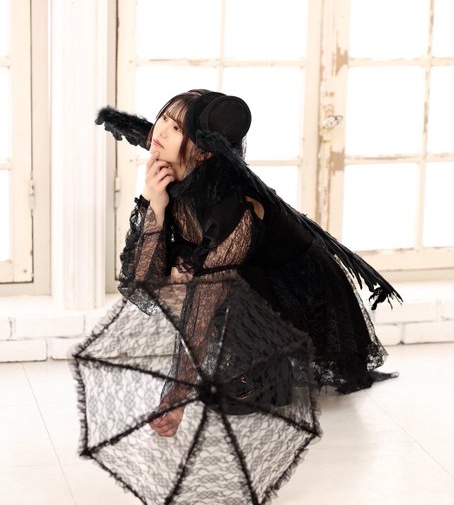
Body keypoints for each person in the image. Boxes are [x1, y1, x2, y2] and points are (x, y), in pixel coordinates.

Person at [115, 89, 400, 439]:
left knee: (210, 307)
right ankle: (259, 365)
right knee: (186, 280)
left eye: (176, 128)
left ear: (204, 151)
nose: (160, 130)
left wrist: (175, 399)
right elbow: (142, 278)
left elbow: (203, 304)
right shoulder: (173, 178)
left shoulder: (232, 206)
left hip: (297, 289)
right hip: (250, 276)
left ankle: (270, 371)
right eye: (163, 118)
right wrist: (154, 203)